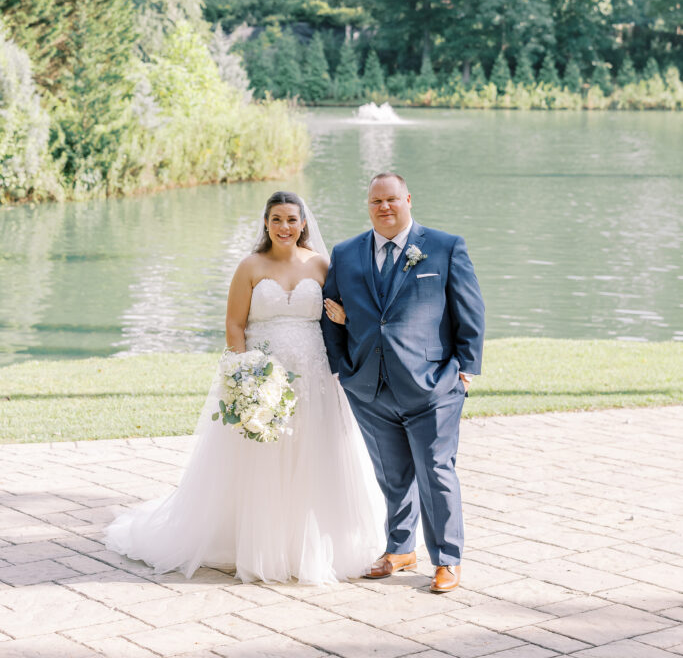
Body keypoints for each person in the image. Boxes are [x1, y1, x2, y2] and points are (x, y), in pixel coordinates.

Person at [105, 191, 384, 584]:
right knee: (260, 461)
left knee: (314, 455)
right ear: (266, 224)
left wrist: (344, 319)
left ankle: (308, 547)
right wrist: (249, 376)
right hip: (263, 375)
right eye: (276, 220)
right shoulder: (250, 266)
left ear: (303, 223)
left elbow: (340, 314)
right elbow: (235, 325)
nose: (284, 227)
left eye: (291, 219)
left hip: (315, 377)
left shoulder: (322, 265)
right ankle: (253, 544)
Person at [322, 172, 485, 593]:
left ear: (408, 199)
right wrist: (345, 369)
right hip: (370, 388)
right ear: (368, 205)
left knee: (435, 470)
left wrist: (465, 369)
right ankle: (400, 548)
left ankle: (447, 559)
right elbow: (331, 313)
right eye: (376, 201)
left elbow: (470, 310)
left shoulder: (445, 247)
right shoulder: (346, 253)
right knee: (392, 475)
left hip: (433, 386)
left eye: (392, 199)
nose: (384, 208)